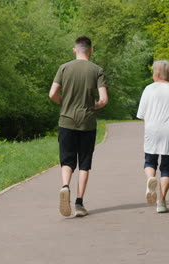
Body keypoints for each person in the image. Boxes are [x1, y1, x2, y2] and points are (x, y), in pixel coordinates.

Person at [49, 36, 108, 217]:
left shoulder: (64, 68)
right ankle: (79, 203)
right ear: (91, 50)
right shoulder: (97, 70)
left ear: (75, 50)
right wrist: (93, 106)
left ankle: (65, 186)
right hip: (87, 122)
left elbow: (52, 94)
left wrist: (64, 103)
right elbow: (104, 100)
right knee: (84, 163)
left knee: (67, 160)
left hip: (66, 121)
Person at [136, 60, 169, 213]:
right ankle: (161, 202)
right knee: (167, 167)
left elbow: (141, 114)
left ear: (157, 74)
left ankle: (150, 180)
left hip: (152, 129)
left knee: (149, 161)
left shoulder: (148, 89)